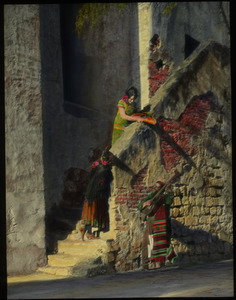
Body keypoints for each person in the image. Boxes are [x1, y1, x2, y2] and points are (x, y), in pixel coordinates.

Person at [138, 180, 178, 270]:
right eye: (155, 187)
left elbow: (169, 201)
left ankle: (160, 263)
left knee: (161, 243)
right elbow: (140, 206)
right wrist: (144, 204)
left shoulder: (165, 198)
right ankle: (145, 265)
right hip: (150, 222)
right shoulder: (151, 196)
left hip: (161, 224)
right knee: (145, 243)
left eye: (158, 187)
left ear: (161, 189)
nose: (155, 188)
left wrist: (170, 191)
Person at [79, 150, 113, 241]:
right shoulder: (106, 171)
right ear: (108, 161)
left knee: (89, 214)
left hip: (89, 194)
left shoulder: (95, 166)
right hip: (98, 196)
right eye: (111, 161)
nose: (112, 163)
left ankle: (86, 230)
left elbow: (90, 178)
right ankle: (90, 232)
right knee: (95, 214)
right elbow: (104, 184)